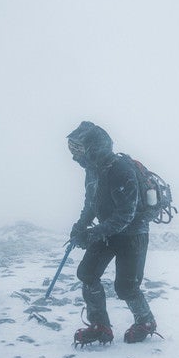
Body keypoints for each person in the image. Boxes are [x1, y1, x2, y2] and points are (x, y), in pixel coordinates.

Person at [66, 121, 158, 346]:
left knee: (126, 287)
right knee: (87, 274)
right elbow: (91, 203)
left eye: (78, 148)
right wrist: (81, 225)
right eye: (72, 148)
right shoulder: (93, 170)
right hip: (108, 231)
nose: (74, 154)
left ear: (94, 147)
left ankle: (145, 322)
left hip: (133, 235)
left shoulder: (121, 170)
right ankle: (100, 326)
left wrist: (93, 233)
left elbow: (126, 214)